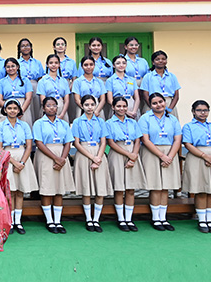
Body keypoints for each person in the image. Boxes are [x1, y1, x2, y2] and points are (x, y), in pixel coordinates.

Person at [138, 92, 182, 231]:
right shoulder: (145, 118)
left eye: (161, 102)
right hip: (152, 152)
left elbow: (177, 139)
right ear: (150, 105)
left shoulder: (172, 119)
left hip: (170, 152)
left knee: (165, 187)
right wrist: (162, 156)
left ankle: (163, 218)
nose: (159, 105)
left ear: (165, 102)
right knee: (156, 186)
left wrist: (170, 156)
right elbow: (145, 140)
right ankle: (155, 218)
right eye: (155, 103)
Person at [182, 100, 211, 234]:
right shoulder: (188, 127)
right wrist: (205, 156)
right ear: (193, 111)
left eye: (205, 110)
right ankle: (202, 220)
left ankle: (210, 220)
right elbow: (188, 144)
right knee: (201, 189)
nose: (203, 113)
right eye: (199, 110)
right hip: (198, 158)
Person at [0, 99, 38, 234]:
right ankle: (10, 222)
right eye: (9, 108)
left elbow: (29, 146)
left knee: (20, 191)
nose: (12, 111)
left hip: (23, 156)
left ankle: (18, 221)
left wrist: (22, 163)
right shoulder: (0, 126)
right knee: (10, 191)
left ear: (19, 110)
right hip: (8, 157)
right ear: (5, 110)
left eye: (15, 108)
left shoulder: (24, 125)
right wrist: (14, 162)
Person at [33, 97, 75, 234]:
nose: (52, 108)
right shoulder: (39, 123)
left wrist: (62, 158)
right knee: (47, 188)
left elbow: (68, 142)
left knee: (59, 189)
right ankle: (49, 221)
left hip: (61, 154)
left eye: (54, 105)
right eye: (48, 105)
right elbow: (39, 143)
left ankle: (57, 220)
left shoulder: (63, 123)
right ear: (43, 108)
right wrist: (55, 158)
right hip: (46, 156)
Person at [72, 95, 113, 233]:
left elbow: (104, 142)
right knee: (86, 188)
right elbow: (76, 143)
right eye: (86, 105)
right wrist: (92, 157)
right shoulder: (77, 122)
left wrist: (99, 157)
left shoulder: (101, 121)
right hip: (84, 154)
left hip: (98, 153)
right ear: (82, 106)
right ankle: (88, 219)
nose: (89, 107)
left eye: (92, 104)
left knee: (100, 188)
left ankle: (96, 219)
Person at [106, 96, 146, 232]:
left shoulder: (133, 122)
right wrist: (128, 155)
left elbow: (137, 140)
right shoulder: (109, 123)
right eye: (118, 106)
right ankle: (121, 219)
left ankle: (129, 218)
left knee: (130, 188)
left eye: (124, 106)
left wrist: (133, 156)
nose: (121, 109)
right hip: (118, 153)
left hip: (132, 152)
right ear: (113, 107)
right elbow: (111, 142)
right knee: (119, 188)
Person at [139, 50, 181, 118]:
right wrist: (153, 107)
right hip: (152, 104)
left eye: (163, 59)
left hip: (169, 104)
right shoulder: (148, 77)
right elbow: (145, 94)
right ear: (153, 62)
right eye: (157, 59)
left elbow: (176, 95)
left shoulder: (172, 76)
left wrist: (170, 109)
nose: (161, 61)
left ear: (166, 61)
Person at [0, 57, 34, 125]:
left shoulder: (25, 80)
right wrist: (9, 109)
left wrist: (21, 111)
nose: (11, 68)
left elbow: (28, 98)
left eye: (13, 66)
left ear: (17, 67)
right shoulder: (1, 82)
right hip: (6, 107)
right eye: (8, 67)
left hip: (23, 107)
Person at [36, 54, 70, 122]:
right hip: (48, 109)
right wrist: (50, 112)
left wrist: (62, 114)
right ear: (47, 65)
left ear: (59, 64)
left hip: (62, 110)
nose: (53, 65)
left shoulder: (64, 81)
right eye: (51, 63)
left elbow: (66, 100)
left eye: (56, 63)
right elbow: (43, 100)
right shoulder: (42, 81)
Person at [17, 38, 44, 121]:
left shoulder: (37, 62)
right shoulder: (17, 62)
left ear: (31, 47)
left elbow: (40, 78)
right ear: (19, 49)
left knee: (36, 108)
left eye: (27, 45)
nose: (25, 47)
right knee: (26, 107)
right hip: (22, 86)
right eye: (23, 46)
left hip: (35, 86)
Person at [106, 55, 140, 120]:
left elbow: (137, 98)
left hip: (131, 106)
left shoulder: (132, 80)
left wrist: (134, 111)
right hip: (118, 107)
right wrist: (125, 111)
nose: (121, 65)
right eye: (118, 63)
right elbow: (109, 99)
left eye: (124, 63)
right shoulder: (110, 80)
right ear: (113, 65)